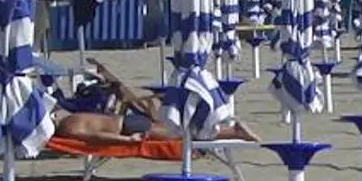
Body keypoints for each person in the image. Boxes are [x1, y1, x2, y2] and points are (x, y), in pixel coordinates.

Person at [53, 59, 258, 145]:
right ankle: (228, 131)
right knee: (177, 130)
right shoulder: (71, 118)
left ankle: (233, 132)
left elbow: (98, 137)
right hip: (126, 120)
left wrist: (127, 141)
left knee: (180, 135)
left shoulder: (68, 129)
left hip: (128, 128)